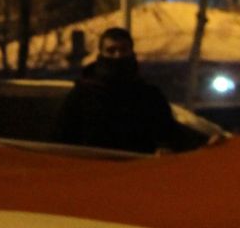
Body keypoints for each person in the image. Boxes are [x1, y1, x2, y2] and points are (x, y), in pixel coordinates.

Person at [51, 26, 207, 154]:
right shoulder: (82, 96)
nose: (117, 56)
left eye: (123, 50)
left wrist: (206, 144)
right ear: (101, 54)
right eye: (111, 51)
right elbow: (61, 141)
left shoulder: (148, 96)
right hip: (94, 178)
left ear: (132, 53)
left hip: (137, 180)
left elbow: (170, 133)